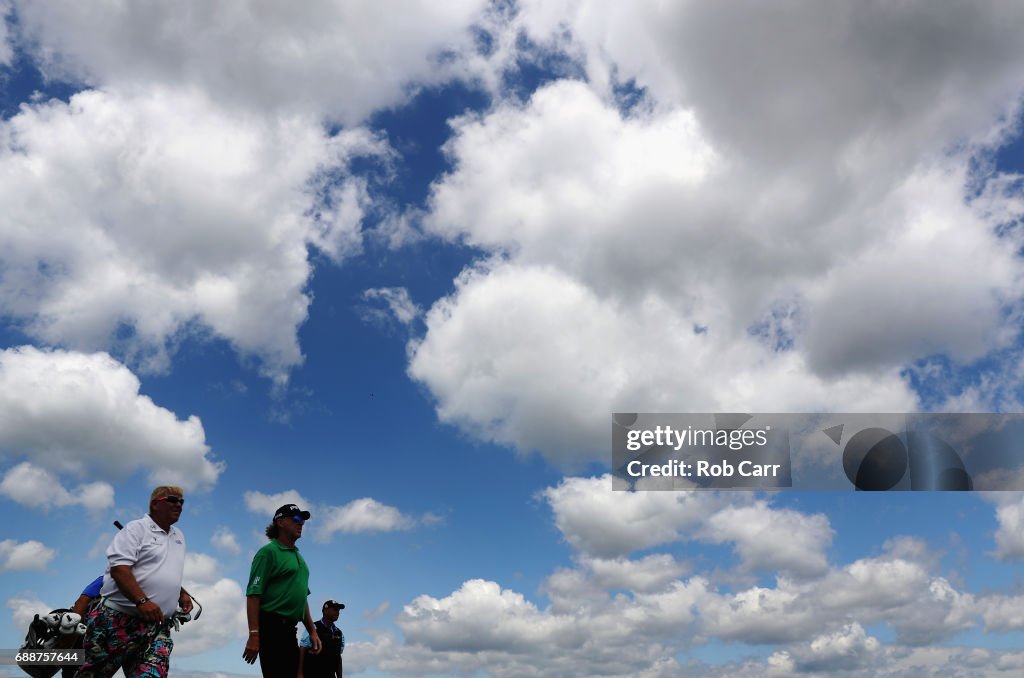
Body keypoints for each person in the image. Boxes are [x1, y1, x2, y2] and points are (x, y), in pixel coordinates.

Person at [76, 486, 191, 678]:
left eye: (181, 502)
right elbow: (119, 569)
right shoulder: (135, 529)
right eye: (172, 500)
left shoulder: (179, 536)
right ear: (155, 504)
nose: (178, 505)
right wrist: (142, 601)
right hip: (116, 621)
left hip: (157, 628)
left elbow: (160, 571)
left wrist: (181, 593)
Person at [243, 503, 321, 677]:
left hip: (289, 630)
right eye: (296, 519)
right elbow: (253, 594)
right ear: (280, 522)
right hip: (271, 628)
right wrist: (254, 634)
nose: (301, 523)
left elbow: (302, 599)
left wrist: (312, 631)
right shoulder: (268, 552)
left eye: (302, 520)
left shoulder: (299, 558)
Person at [298, 599, 345, 678]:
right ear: (325, 610)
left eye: (338, 610)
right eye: (335, 609)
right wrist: (300, 673)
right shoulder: (313, 628)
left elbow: (338, 657)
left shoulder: (339, 633)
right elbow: (303, 648)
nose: (337, 612)